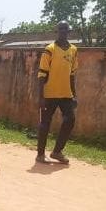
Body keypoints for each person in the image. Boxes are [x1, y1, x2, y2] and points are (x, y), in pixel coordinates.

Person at [36, 20, 78, 164]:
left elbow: (72, 74)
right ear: (57, 31)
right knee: (45, 123)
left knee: (70, 120)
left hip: (66, 94)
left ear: (69, 31)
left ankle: (57, 151)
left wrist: (74, 95)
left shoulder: (73, 50)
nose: (63, 31)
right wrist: (40, 97)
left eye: (65, 29)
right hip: (49, 94)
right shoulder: (50, 49)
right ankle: (40, 154)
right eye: (60, 29)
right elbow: (41, 75)